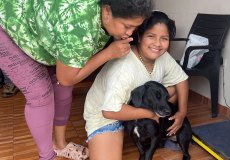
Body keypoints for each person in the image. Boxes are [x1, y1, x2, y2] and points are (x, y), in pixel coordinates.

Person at [0, 0, 153, 159]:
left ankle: (59, 145)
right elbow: (66, 78)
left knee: (63, 86)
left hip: (38, 23)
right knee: (40, 93)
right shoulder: (78, 27)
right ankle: (46, 156)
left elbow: (65, 79)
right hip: (7, 22)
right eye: (127, 26)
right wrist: (108, 53)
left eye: (136, 27)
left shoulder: (100, 18)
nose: (131, 32)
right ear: (107, 12)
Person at [84, 11, 189, 160]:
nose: (158, 44)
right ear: (139, 36)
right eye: (151, 36)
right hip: (107, 114)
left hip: (134, 104)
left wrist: (182, 113)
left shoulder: (162, 56)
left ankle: (162, 132)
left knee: (174, 89)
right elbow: (109, 112)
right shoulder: (124, 68)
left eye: (164, 38)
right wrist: (151, 114)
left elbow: (182, 80)